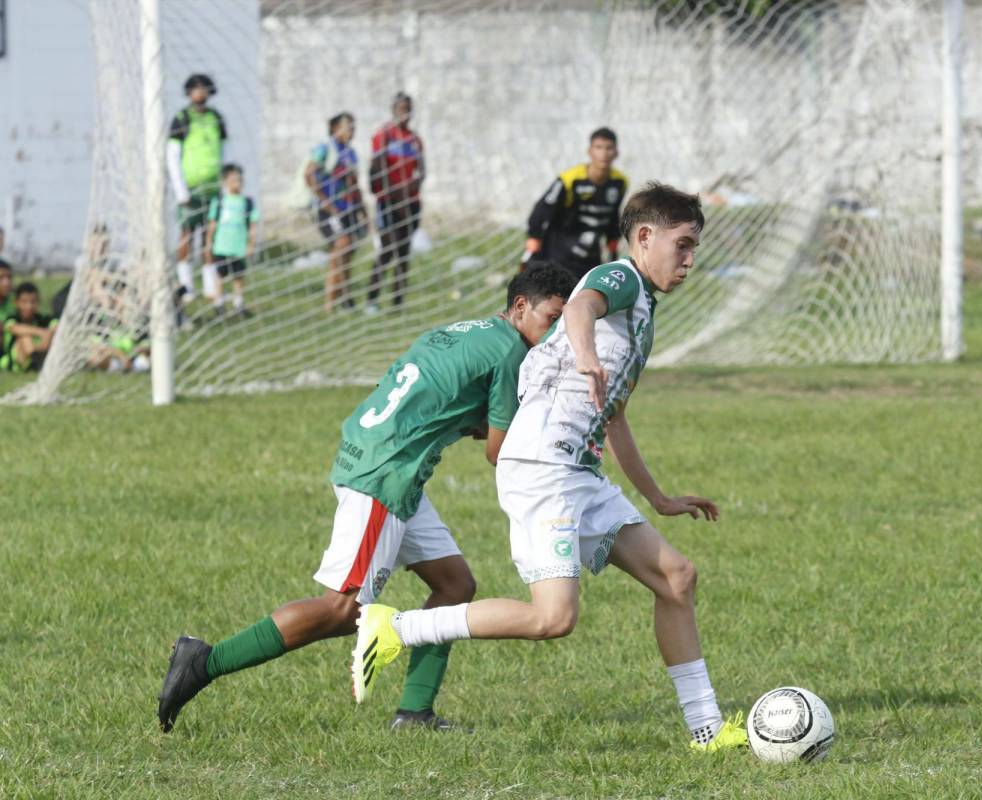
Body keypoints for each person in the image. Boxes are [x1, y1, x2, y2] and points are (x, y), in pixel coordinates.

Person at [353, 183, 748, 753]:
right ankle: (395, 628)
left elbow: (615, 418)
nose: (689, 259)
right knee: (552, 619)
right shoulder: (619, 279)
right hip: (541, 466)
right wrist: (584, 352)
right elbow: (584, 304)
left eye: (694, 247)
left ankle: (707, 731)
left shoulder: (642, 316)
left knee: (677, 578)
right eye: (681, 244)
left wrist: (659, 498)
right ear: (643, 237)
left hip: (578, 473)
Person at [157, 262, 579, 735]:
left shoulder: (467, 329)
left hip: (380, 455)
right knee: (341, 610)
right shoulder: (509, 352)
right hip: (386, 474)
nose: (553, 334)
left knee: (455, 584)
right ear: (521, 306)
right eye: (551, 319)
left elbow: (440, 397)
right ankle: (205, 661)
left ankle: (414, 714)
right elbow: (499, 452)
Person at [522, 127, 628, 281]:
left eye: (609, 148)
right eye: (598, 147)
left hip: (590, 258)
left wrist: (612, 249)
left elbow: (613, 217)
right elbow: (541, 210)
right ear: (590, 151)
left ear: (616, 152)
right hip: (557, 254)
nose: (604, 154)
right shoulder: (570, 180)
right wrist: (533, 242)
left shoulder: (619, 182)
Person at [167, 74, 227, 303]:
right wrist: (180, 189)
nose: (200, 93)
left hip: (212, 189)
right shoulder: (182, 118)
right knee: (187, 235)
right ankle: (186, 286)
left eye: (204, 89)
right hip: (190, 189)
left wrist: (224, 181)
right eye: (196, 89)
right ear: (189, 92)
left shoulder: (216, 118)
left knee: (210, 237)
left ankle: (211, 286)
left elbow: (224, 149)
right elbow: (172, 156)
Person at [368, 92, 425, 314]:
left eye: (408, 108)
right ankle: (372, 300)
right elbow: (376, 168)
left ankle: (398, 303)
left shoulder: (414, 139)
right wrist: (390, 194)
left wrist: (412, 189)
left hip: (409, 203)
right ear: (393, 109)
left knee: (404, 252)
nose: (405, 112)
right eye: (401, 108)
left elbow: (422, 171)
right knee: (387, 250)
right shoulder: (384, 136)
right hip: (388, 202)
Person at [306, 112, 366, 313]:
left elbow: (354, 184)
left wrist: (362, 210)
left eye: (353, 127)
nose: (351, 131)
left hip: (347, 209)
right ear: (334, 129)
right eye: (347, 126)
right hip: (328, 210)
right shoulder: (325, 149)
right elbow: (309, 174)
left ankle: (346, 298)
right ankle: (330, 304)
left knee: (347, 253)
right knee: (339, 250)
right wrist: (326, 204)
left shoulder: (352, 153)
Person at [204, 164, 260, 319]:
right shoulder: (220, 201)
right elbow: (212, 223)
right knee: (220, 275)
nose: (237, 182)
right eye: (233, 179)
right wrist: (209, 242)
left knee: (238, 276)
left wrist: (251, 244)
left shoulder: (247, 202)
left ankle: (238, 303)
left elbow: (253, 225)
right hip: (222, 246)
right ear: (225, 181)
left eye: (239, 179)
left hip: (239, 246)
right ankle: (219, 304)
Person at [1, 282, 57, 373]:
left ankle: (39, 363)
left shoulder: (43, 319)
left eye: (33, 302)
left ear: (38, 302)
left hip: (40, 351)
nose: (29, 306)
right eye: (24, 302)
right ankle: (38, 364)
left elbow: (57, 326)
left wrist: (49, 334)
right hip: (16, 361)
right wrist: (41, 332)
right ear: (16, 303)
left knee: (51, 335)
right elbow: (14, 328)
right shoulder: (12, 318)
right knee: (25, 337)